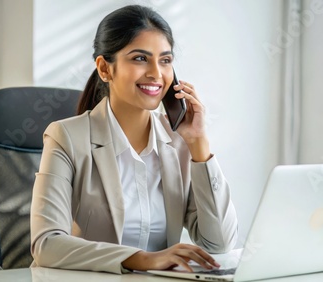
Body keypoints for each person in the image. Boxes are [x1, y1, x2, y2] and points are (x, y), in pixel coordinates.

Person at [30, 4, 238, 274]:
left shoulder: (178, 143)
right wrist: (142, 259)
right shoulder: (66, 137)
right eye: (140, 58)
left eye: (165, 60)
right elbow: (47, 244)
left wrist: (199, 145)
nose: (156, 73)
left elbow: (219, 242)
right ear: (105, 69)